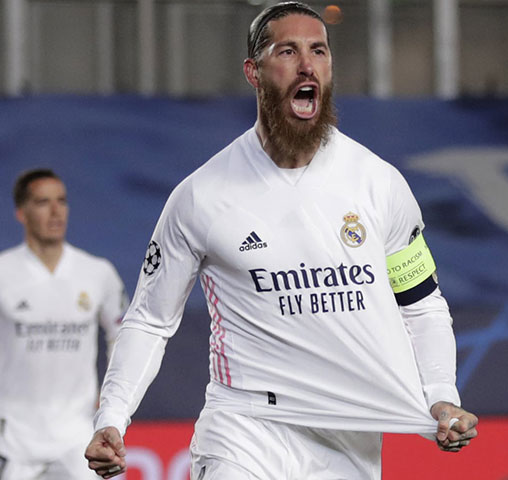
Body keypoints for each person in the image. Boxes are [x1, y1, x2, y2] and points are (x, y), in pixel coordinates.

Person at [85, 3, 478, 479]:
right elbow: (150, 320)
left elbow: (421, 306)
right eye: (288, 51)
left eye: (319, 51)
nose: (307, 65)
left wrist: (442, 396)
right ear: (254, 72)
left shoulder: (380, 184)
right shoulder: (201, 196)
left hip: (349, 435)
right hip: (245, 427)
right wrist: (112, 417)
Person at [0, 169, 128, 479]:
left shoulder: (97, 273)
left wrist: (112, 399)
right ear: (21, 212)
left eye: (62, 201)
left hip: (79, 436)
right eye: (43, 202)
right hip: (14, 439)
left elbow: (123, 337)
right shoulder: (4, 272)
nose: (56, 211)